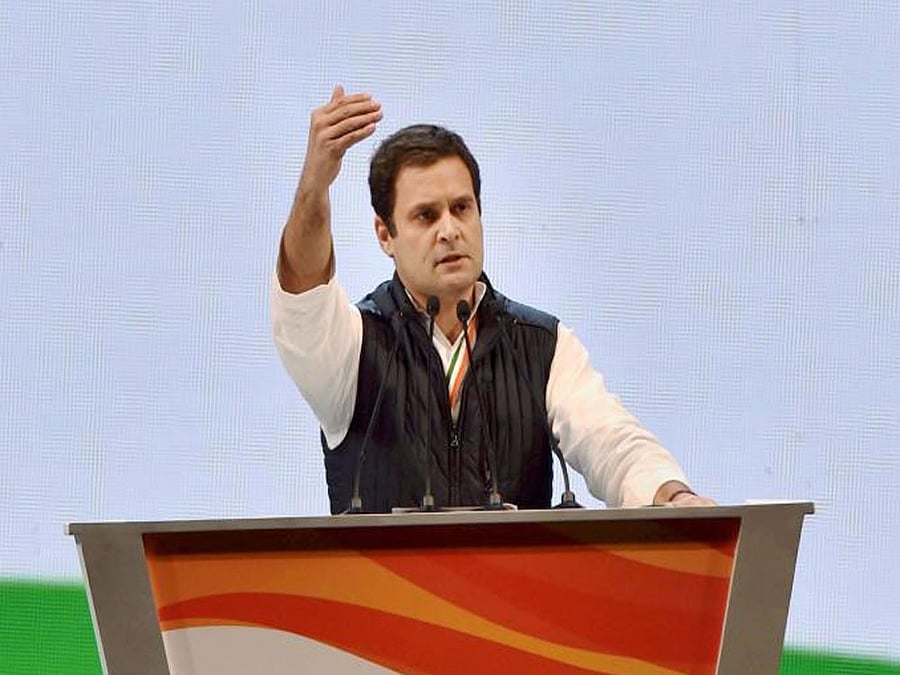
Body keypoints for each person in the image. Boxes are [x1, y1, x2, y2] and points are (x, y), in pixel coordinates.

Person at [272, 85, 715, 514]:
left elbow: (611, 440)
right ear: (385, 234)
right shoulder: (354, 346)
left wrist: (673, 497)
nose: (449, 230)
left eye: (461, 208)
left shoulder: (541, 344)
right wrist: (314, 185)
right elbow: (305, 291)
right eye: (426, 216)